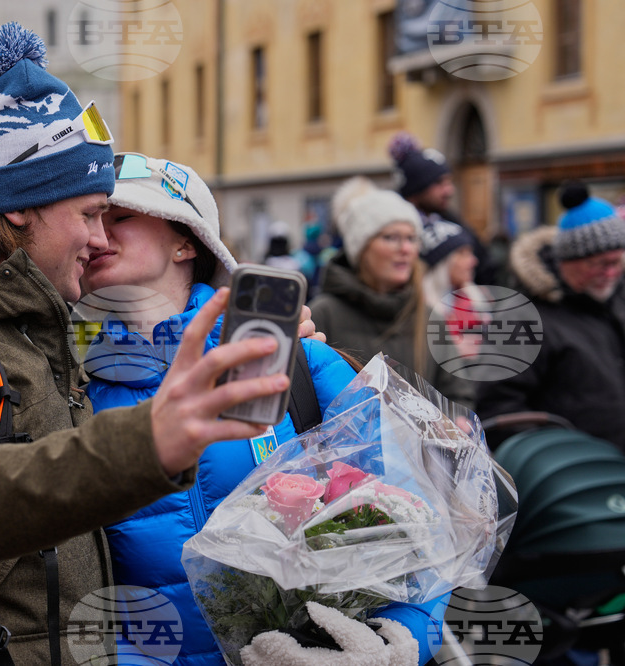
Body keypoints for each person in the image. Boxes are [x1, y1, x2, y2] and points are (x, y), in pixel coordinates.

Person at [0, 24, 294, 664]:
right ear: (22, 209)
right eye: (90, 213)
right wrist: (150, 440)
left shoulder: (33, 329)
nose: (103, 239)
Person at [80, 152, 448, 665]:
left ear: (187, 240)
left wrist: (392, 643)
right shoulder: (72, 392)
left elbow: (419, 525)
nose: (99, 235)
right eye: (90, 219)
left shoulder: (301, 362)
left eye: (120, 217)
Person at [477, 183, 625, 453]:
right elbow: (498, 409)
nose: (612, 273)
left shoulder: (615, 297)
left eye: (618, 262)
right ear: (566, 261)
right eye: (600, 264)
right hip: (572, 475)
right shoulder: (520, 318)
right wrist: (556, 455)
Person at [308, 176, 474, 407]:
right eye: (391, 237)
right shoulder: (323, 314)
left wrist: (457, 424)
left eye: (411, 238)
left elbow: (459, 393)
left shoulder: (426, 316)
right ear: (362, 248)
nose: (405, 249)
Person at [389, 131, 495, 285]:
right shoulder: (393, 229)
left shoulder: (452, 222)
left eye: (449, 182)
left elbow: (485, 267)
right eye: (439, 183)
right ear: (416, 189)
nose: (449, 191)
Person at [421, 219, 488, 361]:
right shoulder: (420, 307)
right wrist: (453, 350)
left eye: (471, 252)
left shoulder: (477, 300)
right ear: (443, 262)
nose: (473, 261)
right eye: (463, 253)